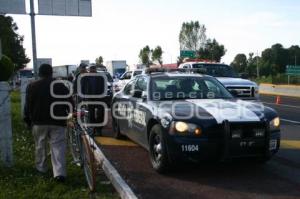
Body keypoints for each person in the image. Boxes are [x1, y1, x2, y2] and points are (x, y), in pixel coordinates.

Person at [24, 64, 72, 182]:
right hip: (58, 121)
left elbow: (27, 106)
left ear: (39, 74)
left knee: (40, 145)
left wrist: (28, 120)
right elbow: (69, 101)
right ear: (51, 73)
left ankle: (41, 169)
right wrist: (69, 114)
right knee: (58, 147)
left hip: (39, 121)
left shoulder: (32, 86)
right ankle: (59, 173)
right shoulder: (60, 85)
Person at [86, 65, 107, 136]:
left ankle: (98, 129)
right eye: (91, 69)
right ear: (89, 70)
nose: (92, 71)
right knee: (91, 114)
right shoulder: (86, 77)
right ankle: (93, 129)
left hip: (99, 98)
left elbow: (104, 86)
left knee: (100, 113)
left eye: (93, 69)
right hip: (90, 98)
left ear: (95, 70)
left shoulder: (101, 77)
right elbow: (83, 87)